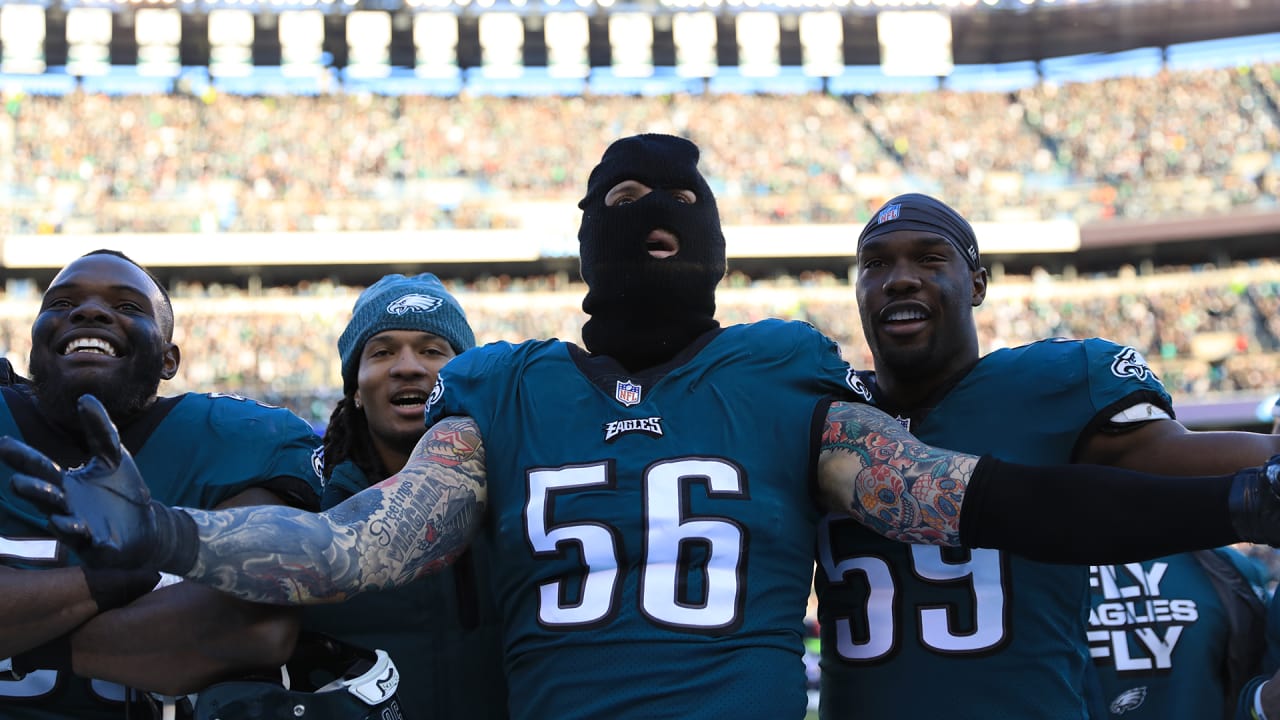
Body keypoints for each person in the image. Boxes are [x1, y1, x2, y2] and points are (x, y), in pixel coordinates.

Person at [5, 136, 1280, 720]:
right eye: (621, 202)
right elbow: (363, 549)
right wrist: (171, 532)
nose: (648, 219)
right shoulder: (501, 387)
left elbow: (968, 500)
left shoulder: (780, 374)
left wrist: (1223, 505)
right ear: (584, 242)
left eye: (674, 205)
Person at [816, 192, 1280, 720]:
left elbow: (1174, 454)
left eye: (929, 258)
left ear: (977, 284)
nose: (898, 278)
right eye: (875, 264)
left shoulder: (1053, 385)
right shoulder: (824, 411)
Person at [0, 250, 324, 719]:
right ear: (33, 348)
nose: (88, 312)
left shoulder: (233, 436)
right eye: (61, 304)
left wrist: (22, 640)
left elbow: (252, 624)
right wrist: (118, 582)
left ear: (168, 360)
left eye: (129, 307)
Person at [301, 272, 508, 718]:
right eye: (382, 351)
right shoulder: (306, 498)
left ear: (465, 375)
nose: (408, 366)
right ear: (355, 388)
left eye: (432, 350)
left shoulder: (523, 490)